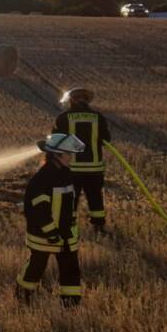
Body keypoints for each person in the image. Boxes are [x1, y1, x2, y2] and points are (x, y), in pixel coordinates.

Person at [16, 133, 85, 307]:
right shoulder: (41, 180)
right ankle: (23, 297)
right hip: (43, 235)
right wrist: (52, 233)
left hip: (66, 235)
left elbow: (71, 206)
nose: (71, 157)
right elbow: (38, 212)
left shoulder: (68, 174)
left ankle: (71, 304)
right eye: (68, 154)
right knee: (36, 267)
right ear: (56, 155)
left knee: (71, 269)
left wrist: (71, 230)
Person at [53, 88, 112, 231]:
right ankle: (98, 226)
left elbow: (56, 140)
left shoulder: (63, 117)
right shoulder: (98, 117)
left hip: (71, 168)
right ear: (87, 100)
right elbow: (106, 139)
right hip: (94, 168)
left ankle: (69, 227)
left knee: (70, 199)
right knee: (95, 198)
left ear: (71, 100)